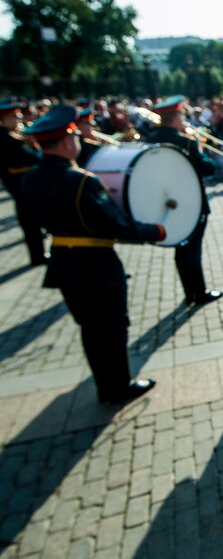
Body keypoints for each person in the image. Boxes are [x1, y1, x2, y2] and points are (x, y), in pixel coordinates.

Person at [20, 105, 164, 404]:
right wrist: (154, 231)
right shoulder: (81, 181)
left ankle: (104, 384)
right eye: (75, 137)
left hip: (63, 261)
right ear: (66, 141)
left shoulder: (30, 178)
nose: (79, 143)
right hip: (96, 265)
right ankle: (119, 387)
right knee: (112, 327)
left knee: (89, 327)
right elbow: (116, 224)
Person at [146, 95, 223, 306]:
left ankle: (189, 293)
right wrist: (200, 148)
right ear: (175, 117)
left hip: (166, 201)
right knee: (193, 249)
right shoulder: (187, 142)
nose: (183, 118)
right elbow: (208, 168)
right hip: (192, 202)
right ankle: (199, 292)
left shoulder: (150, 140)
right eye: (181, 114)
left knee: (181, 247)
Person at [0, 99, 46, 266]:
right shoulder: (11, 140)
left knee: (29, 222)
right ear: (4, 119)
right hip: (23, 185)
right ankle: (38, 257)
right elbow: (37, 157)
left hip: (16, 185)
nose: (18, 120)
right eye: (14, 117)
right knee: (31, 223)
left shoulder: (8, 137)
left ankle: (37, 255)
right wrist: (33, 143)